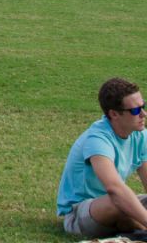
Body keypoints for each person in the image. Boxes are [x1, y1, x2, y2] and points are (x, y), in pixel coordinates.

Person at [56, 77, 147, 237]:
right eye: (135, 110)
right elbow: (114, 189)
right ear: (114, 114)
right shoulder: (98, 139)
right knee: (118, 201)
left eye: (143, 106)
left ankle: (139, 230)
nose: (143, 114)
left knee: (124, 202)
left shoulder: (139, 135)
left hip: (114, 205)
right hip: (80, 213)